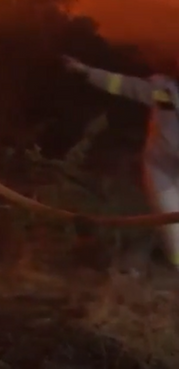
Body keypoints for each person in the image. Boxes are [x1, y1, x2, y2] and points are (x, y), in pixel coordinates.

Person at [63, 55, 179, 271]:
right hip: (162, 171)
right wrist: (87, 72)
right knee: (174, 232)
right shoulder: (164, 93)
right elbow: (125, 85)